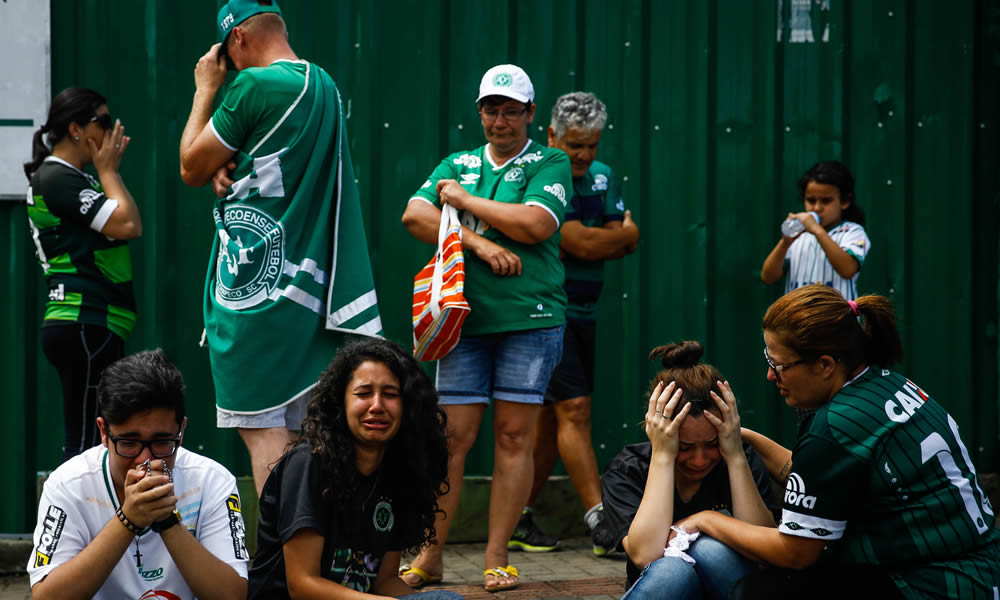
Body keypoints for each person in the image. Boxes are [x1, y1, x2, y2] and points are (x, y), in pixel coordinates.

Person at [673, 285, 1000, 598]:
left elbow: (796, 552)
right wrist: (741, 437)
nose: (771, 376)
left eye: (779, 365)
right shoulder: (887, 384)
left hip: (934, 584)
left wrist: (707, 519)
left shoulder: (832, 428)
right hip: (981, 565)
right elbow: (821, 479)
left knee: (757, 592)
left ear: (825, 365)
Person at [178, 0, 381, 496]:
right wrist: (231, 169)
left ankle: (284, 542)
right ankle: (321, 538)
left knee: (266, 431)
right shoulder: (324, 85)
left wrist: (205, 90)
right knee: (310, 436)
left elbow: (190, 166)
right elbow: (270, 164)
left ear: (238, 38)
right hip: (311, 288)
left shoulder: (252, 85)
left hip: (257, 291)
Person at [400, 64, 572, 591]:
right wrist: (476, 242)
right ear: (480, 112)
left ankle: (497, 556)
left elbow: (537, 223)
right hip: (462, 319)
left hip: (530, 318)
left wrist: (464, 202)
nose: (500, 121)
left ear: (530, 113)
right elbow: (414, 215)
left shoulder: (551, 160)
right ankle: (431, 556)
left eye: (511, 111)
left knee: (514, 436)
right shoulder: (459, 162)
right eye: (491, 110)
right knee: (451, 438)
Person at [509, 91, 639, 556]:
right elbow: (581, 241)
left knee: (550, 422)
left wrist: (615, 236)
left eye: (591, 145)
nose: (583, 155)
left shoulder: (603, 175)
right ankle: (602, 523)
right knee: (576, 408)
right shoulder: (542, 172)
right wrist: (615, 235)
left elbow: (626, 239)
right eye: (574, 145)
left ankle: (515, 518)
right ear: (552, 136)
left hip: (586, 312)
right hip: (549, 311)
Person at [248, 338, 461, 600]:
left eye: (390, 394)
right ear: (341, 402)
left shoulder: (398, 472)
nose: (377, 405)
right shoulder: (308, 464)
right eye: (363, 393)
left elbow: (385, 582)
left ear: (408, 406)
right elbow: (302, 585)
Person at [27, 349, 248, 600]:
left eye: (162, 442)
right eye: (129, 443)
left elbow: (232, 595)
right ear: (103, 432)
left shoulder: (212, 481)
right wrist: (127, 520)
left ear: (181, 431)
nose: (145, 459)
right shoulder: (68, 485)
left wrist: (167, 521)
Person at [600, 342, 777, 600]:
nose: (699, 460)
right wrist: (663, 456)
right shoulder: (629, 469)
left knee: (708, 550)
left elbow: (765, 553)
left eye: (712, 444)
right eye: (684, 447)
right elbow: (645, 555)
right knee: (673, 570)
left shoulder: (742, 460)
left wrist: (735, 456)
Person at [23, 87, 143, 461]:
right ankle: (74, 502)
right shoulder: (57, 177)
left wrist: (106, 174)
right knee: (88, 447)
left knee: (94, 439)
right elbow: (128, 224)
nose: (111, 131)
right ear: (76, 129)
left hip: (93, 322)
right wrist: (109, 172)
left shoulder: (71, 178)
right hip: (83, 318)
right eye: (102, 122)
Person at [761, 160, 870, 300]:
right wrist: (785, 242)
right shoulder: (798, 234)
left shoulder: (853, 231)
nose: (817, 208)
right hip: (799, 313)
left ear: (845, 201)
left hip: (838, 313)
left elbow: (848, 269)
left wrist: (817, 230)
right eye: (811, 200)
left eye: (826, 201)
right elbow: (768, 277)